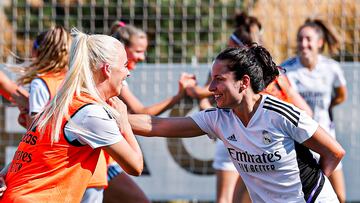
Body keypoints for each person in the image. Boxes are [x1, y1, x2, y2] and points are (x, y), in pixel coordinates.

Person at [129, 46, 345, 203]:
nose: (211, 87)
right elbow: (155, 125)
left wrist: (311, 192)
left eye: (219, 79)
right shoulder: (218, 118)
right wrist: (111, 116)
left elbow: (334, 152)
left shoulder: (278, 114)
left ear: (244, 82)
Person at [0, 29, 143, 202]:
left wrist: (4, 175)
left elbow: (32, 152)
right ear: (107, 69)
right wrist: (124, 122)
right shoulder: (90, 114)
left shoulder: (63, 103)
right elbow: (136, 166)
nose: (128, 73)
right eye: (124, 65)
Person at [185, 12, 312, 203]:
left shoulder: (235, 76)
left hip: (241, 137)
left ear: (239, 48)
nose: (226, 50)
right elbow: (306, 112)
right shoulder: (275, 73)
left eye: (230, 46)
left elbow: (202, 94)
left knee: (227, 199)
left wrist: (189, 88)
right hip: (260, 143)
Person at [99, 21, 195, 203]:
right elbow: (141, 112)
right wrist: (178, 96)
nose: (143, 57)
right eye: (138, 51)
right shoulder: (108, 76)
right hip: (98, 162)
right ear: (121, 48)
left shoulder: (112, 75)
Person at [283, 18, 347, 203]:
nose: (304, 44)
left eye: (308, 39)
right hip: (302, 143)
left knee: (339, 197)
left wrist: (325, 109)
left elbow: (341, 95)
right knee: (305, 197)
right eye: (300, 39)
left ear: (319, 43)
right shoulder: (287, 69)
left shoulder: (331, 68)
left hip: (327, 140)